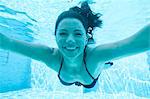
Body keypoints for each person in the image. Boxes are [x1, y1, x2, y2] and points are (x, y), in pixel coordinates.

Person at [0, 1, 150, 89]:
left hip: (90, 71)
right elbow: (9, 43)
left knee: (102, 64)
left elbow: (138, 42)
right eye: (63, 33)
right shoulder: (50, 56)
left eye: (78, 34)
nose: (70, 40)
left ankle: (104, 66)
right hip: (85, 72)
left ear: (86, 38)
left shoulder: (97, 55)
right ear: (55, 36)